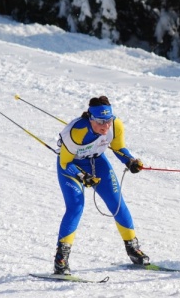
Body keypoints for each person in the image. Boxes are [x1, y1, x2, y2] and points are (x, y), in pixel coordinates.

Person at [54, 95, 149, 275]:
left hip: (97, 162)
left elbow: (119, 148)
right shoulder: (76, 132)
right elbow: (66, 163)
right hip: (72, 167)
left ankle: (133, 249)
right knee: (76, 207)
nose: (105, 126)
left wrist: (130, 161)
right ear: (90, 118)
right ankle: (61, 259)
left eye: (108, 120)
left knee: (117, 203)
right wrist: (83, 177)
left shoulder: (116, 125)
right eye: (100, 121)